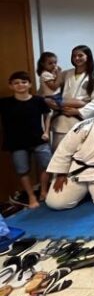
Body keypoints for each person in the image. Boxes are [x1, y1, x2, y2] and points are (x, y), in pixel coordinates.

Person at [46, 100, 94, 210]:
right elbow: (65, 149)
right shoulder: (84, 125)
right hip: (77, 170)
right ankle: (84, 190)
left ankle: (90, 190)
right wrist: (61, 174)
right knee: (55, 203)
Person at [1, 71, 52, 208]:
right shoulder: (5, 103)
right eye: (16, 83)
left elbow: (48, 115)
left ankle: (44, 191)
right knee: (22, 170)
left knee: (48, 165)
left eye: (24, 82)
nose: (20, 85)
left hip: (38, 139)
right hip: (16, 142)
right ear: (11, 86)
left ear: (29, 84)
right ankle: (31, 196)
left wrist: (46, 131)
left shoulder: (38, 100)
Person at [52, 45, 94, 149]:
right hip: (63, 115)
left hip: (83, 118)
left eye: (80, 55)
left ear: (88, 56)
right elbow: (54, 92)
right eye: (74, 56)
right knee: (59, 149)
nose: (77, 58)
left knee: (80, 150)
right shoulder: (66, 74)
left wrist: (79, 111)